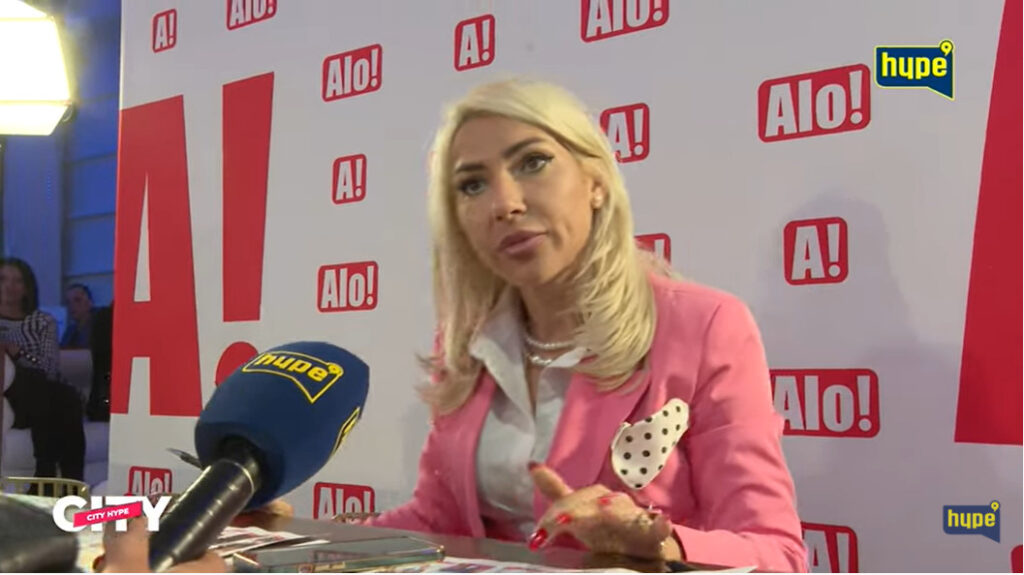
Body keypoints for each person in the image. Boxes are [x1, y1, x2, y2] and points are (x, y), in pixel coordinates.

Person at [357, 78, 807, 572]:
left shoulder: (706, 327)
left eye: (533, 163)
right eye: (472, 185)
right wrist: (311, 543)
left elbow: (777, 555)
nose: (504, 204)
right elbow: (436, 519)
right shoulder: (466, 342)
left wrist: (664, 547)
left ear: (596, 182)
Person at [0, 257, 86, 483]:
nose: (9, 286)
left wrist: (18, 352)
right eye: (3, 279)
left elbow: (49, 368)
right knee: (65, 397)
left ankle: (62, 480)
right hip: (10, 398)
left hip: (39, 394)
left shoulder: (42, 321)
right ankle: (61, 479)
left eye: (17, 281)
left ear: (27, 288)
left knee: (56, 395)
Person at [60, 283, 95, 349]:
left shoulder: (97, 329)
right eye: (68, 302)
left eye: (77, 300)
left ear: (89, 303)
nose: (71, 305)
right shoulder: (70, 330)